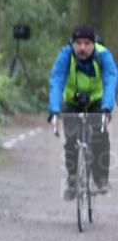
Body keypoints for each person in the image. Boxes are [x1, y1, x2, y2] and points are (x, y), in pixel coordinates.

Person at [48, 24, 116, 198]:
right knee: (71, 136)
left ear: (93, 44)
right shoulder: (66, 55)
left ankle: (101, 178)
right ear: (73, 43)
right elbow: (57, 80)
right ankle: (72, 177)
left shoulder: (103, 56)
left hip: (97, 102)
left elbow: (110, 80)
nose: (82, 48)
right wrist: (54, 109)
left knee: (100, 134)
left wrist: (107, 108)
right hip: (73, 101)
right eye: (78, 43)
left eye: (87, 43)